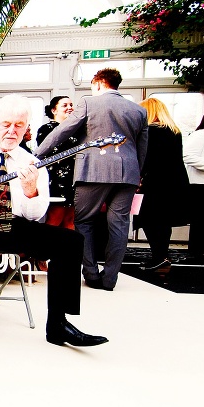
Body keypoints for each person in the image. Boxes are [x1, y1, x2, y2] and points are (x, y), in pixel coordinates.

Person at [0, 94, 107, 347]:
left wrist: (30, 189)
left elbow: (36, 215)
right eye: (6, 124)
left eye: (19, 126)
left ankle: (58, 324)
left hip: (13, 225)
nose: (12, 131)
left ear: (26, 129)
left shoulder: (33, 163)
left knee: (71, 241)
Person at [36, 67, 148, 291]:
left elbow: (62, 132)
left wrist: (37, 155)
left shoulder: (89, 103)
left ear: (98, 84)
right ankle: (110, 279)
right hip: (128, 173)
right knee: (119, 225)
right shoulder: (138, 111)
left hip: (93, 171)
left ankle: (91, 273)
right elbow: (142, 147)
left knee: (84, 221)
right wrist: (138, 173)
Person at [136, 97, 190, 272]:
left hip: (155, 183)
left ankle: (158, 256)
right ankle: (162, 256)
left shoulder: (150, 132)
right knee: (164, 221)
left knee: (150, 220)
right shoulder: (174, 131)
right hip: (175, 181)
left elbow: (146, 159)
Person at [37, 95, 79, 228]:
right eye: (65, 105)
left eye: (71, 105)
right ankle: (46, 249)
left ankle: (67, 249)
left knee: (70, 218)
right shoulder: (46, 129)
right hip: (55, 179)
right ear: (54, 110)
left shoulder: (77, 130)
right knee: (55, 216)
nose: (69, 108)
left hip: (73, 178)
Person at [183, 109, 204, 261]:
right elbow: (187, 155)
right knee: (200, 219)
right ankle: (196, 251)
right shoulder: (200, 135)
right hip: (200, 184)